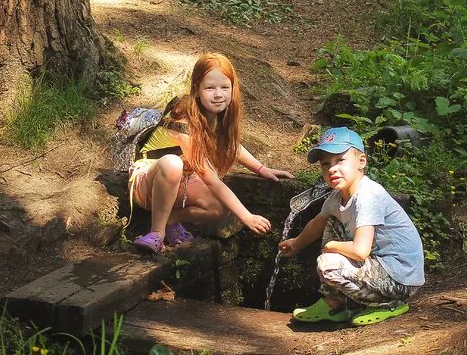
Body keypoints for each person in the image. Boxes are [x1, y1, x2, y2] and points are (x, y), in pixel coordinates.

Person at [128, 53, 292, 253]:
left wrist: (261, 168)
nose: (218, 94)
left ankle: (171, 219)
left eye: (225, 87)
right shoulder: (182, 121)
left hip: (182, 183)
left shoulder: (216, 117)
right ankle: (157, 233)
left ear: (233, 89)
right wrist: (246, 216)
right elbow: (212, 180)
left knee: (218, 208)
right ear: (196, 89)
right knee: (172, 163)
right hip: (148, 184)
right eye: (210, 88)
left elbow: (230, 146)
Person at [279, 127, 424, 326]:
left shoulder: (368, 196)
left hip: (400, 278)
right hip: (381, 267)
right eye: (326, 164)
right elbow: (318, 222)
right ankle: (334, 304)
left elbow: (360, 251)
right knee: (330, 220)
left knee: (328, 264)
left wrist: (331, 247)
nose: (332, 168)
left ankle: (389, 304)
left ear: (361, 162)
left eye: (340, 160)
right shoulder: (337, 197)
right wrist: (297, 243)